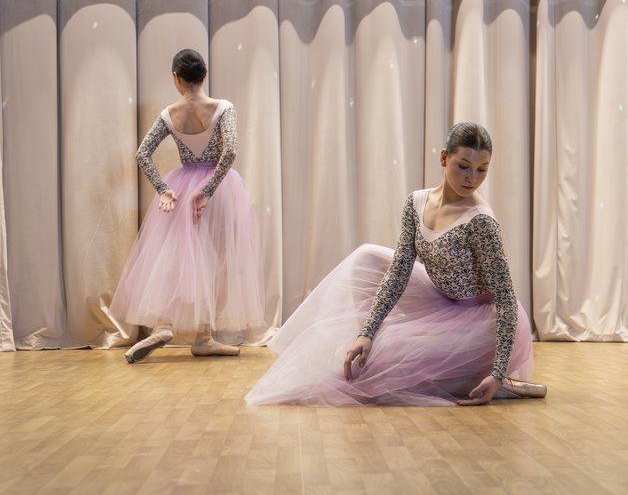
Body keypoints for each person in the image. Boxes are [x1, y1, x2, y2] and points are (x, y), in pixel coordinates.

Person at [246, 122, 545, 406]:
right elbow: (399, 271)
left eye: (482, 170)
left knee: (377, 373)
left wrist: (497, 372)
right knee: (367, 258)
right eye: (463, 166)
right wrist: (367, 332)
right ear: (444, 158)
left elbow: (506, 297)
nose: (472, 178)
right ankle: (367, 343)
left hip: (481, 322)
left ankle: (491, 382)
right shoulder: (416, 203)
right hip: (442, 300)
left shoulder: (481, 222)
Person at [109, 48, 264, 363]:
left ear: (176, 78)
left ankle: (165, 325)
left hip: (181, 190)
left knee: (179, 258)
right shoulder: (223, 108)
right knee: (217, 261)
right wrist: (208, 190)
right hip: (218, 191)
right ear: (204, 74)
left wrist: (164, 190)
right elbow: (230, 151)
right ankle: (203, 337)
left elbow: (142, 153)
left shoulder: (170, 114)